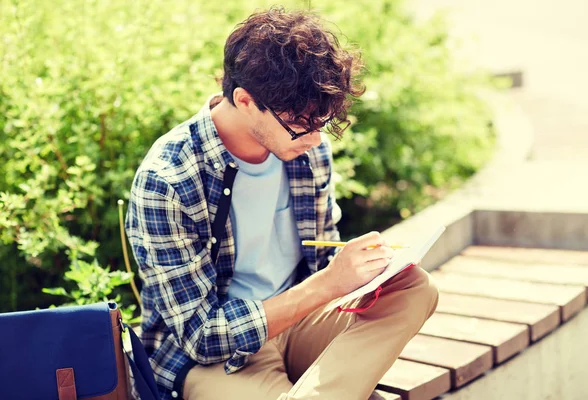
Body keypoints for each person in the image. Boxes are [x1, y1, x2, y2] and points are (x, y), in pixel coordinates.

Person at [126, 7, 438, 400]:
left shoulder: (307, 147)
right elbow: (200, 337)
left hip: (301, 325)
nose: (314, 137)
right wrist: (327, 284)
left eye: (321, 123)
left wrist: (366, 270)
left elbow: (322, 261)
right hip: (218, 359)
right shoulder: (168, 180)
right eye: (300, 124)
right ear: (244, 100)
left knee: (415, 288)